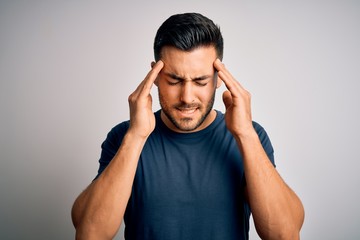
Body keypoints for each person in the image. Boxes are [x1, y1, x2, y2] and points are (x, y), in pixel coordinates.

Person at [71, 12, 304, 240]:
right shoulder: (124, 136)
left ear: (218, 78)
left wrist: (245, 135)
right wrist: (136, 136)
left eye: (200, 81)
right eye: (174, 80)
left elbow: (285, 234)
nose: (187, 96)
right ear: (154, 76)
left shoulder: (251, 136)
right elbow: (90, 233)